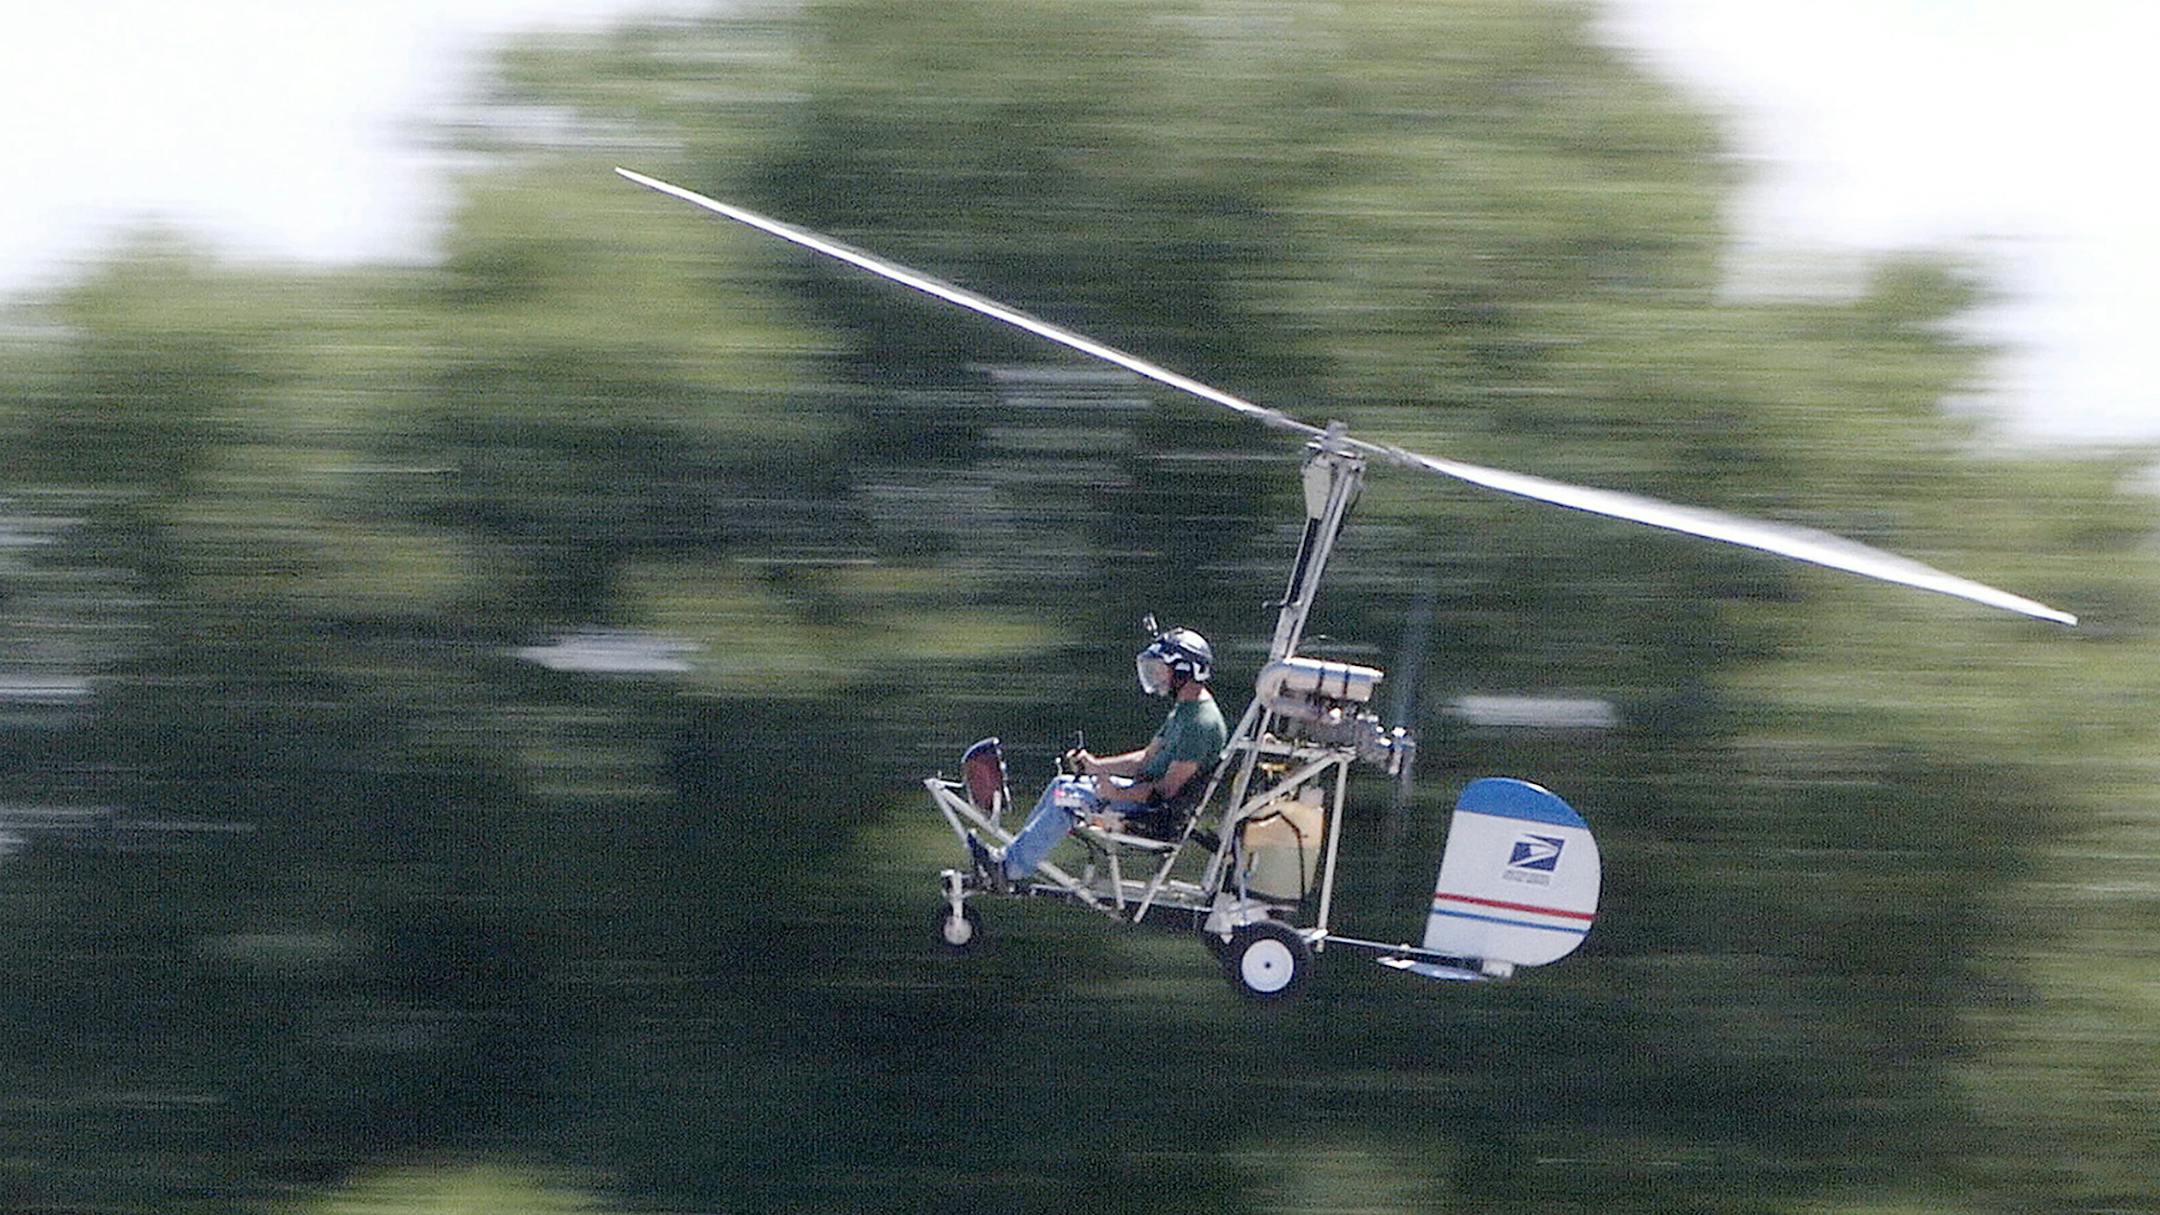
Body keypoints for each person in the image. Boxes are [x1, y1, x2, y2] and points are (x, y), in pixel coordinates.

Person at [972, 626, 1229, 889]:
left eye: (1161, 669)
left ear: (1184, 671)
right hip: (1142, 798)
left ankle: (1009, 869)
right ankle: (1010, 857)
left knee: (1067, 802)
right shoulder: (1185, 711)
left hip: (1155, 815)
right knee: (1062, 786)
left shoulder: (1200, 724)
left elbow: (1165, 791)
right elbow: (1145, 759)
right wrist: (1096, 765)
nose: (1155, 675)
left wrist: (1116, 794)